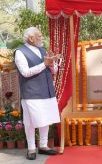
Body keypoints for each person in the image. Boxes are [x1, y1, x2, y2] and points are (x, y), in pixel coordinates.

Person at [14, 27, 61, 160]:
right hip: (31, 92)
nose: (42, 38)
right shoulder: (20, 52)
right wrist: (44, 64)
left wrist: (52, 63)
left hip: (46, 90)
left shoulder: (42, 50)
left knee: (45, 119)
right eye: (39, 36)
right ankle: (31, 148)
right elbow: (25, 72)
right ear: (31, 38)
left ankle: (44, 146)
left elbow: (53, 70)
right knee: (30, 122)